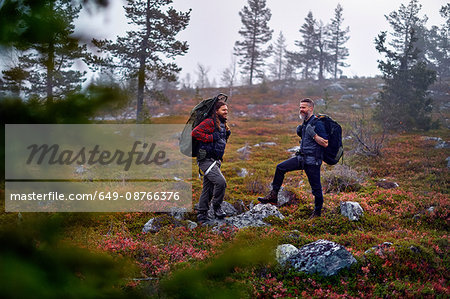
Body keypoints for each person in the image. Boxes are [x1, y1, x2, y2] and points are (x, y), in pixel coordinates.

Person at [258, 98, 328, 218]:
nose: (301, 110)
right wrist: (302, 132)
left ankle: (317, 213)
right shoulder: (305, 122)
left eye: (304, 107)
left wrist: (314, 135)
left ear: (311, 108)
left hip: (312, 162)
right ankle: (273, 196)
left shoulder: (318, 123)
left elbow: (325, 143)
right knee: (280, 168)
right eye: (300, 107)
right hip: (301, 159)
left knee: (316, 189)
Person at [191, 101, 231, 223]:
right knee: (220, 182)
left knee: (208, 188)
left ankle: (202, 214)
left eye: (226, 109)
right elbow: (195, 132)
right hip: (206, 160)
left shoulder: (222, 123)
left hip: (216, 160)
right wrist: (210, 138)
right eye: (223, 110)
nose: (226, 111)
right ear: (216, 111)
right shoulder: (209, 122)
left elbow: (221, 139)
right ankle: (217, 207)